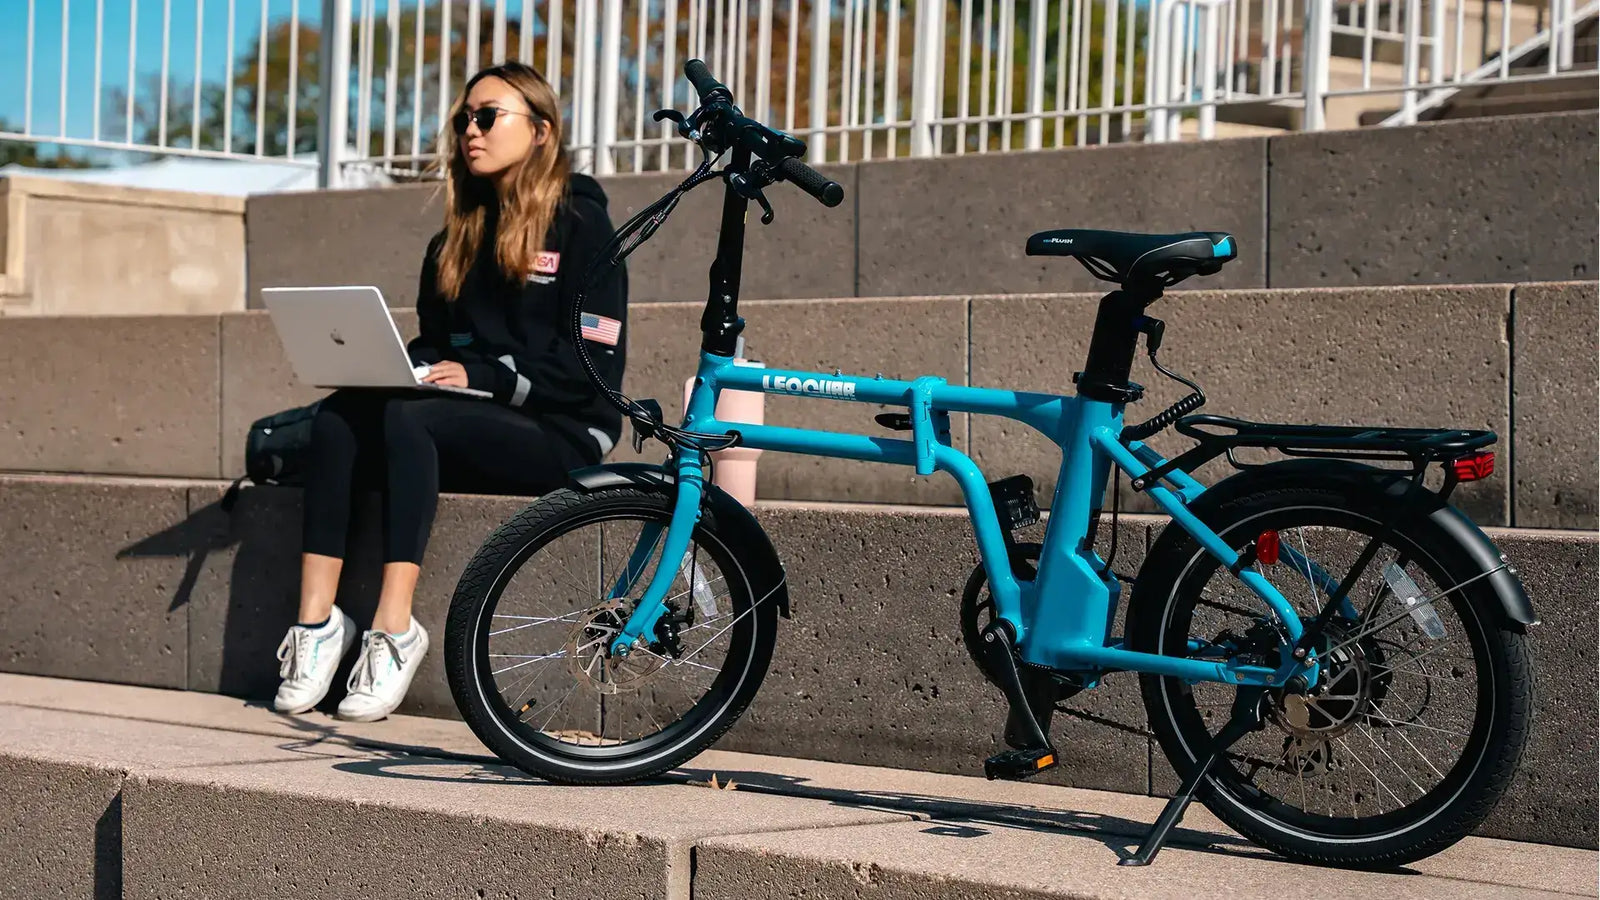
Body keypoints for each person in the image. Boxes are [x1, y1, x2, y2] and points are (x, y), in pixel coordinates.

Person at [272, 61, 627, 721]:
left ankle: (394, 627)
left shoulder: (583, 226)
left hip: (564, 431)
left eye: (489, 116)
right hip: (472, 418)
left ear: (542, 131)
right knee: (338, 420)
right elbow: (437, 345)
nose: (471, 129)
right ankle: (317, 625)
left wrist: (483, 378)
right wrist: (402, 368)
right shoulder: (453, 240)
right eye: (464, 118)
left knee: (415, 421)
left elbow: (589, 370)